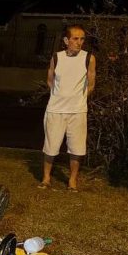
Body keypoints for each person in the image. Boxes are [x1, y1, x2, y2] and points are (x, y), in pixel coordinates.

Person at [39, 25, 96, 191]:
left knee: (76, 148)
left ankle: (72, 181)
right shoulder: (57, 57)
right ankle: (46, 178)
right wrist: (58, 96)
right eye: (75, 39)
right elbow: (50, 80)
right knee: (51, 146)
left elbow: (91, 84)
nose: (79, 42)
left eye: (82, 39)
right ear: (66, 40)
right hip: (55, 110)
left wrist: (78, 99)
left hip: (77, 111)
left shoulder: (89, 58)